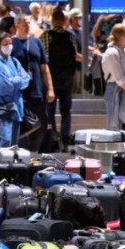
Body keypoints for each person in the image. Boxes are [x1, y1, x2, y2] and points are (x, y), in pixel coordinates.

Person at [11, 14, 54, 151]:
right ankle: (21, 153)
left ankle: (34, 151)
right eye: (25, 23)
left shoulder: (36, 42)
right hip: (18, 94)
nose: (28, 25)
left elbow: (44, 68)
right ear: (17, 25)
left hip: (36, 92)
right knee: (21, 126)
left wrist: (50, 89)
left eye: (29, 23)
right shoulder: (10, 43)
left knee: (40, 125)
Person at [42, 9, 81, 149]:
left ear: (52, 21)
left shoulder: (46, 36)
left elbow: (43, 58)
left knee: (49, 111)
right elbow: (75, 55)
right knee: (66, 111)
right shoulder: (70, 37)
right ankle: (64, 140)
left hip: (51, 79)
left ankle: (52, 138)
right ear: (64, 21)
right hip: (67, 79)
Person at [0, 31, 31, 147]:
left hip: (17, 109)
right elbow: (3, 87)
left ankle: (11, 165)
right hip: (3, 110)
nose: (9, 47)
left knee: (14, 144)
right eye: (5, 44)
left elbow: (26, 78)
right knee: (5, 141)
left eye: (10, 43)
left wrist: (14, 80)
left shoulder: (14, 61)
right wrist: (18, 80)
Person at [101, 23, 125, 131]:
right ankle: (114, 146)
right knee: (114, 123)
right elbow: (119, 79)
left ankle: (124, 145)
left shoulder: (123, 51)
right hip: (115, 90)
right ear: (121, 36)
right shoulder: (112, 53)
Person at [67, 8, 84, 93]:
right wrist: (88, 59)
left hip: (81, 67)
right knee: (75, 91)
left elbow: (82, 45)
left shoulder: (79, 32)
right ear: (73, 19)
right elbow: (74, 54)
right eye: (79, 18)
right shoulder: (69, 33)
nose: (81, 20)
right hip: (74, 69)